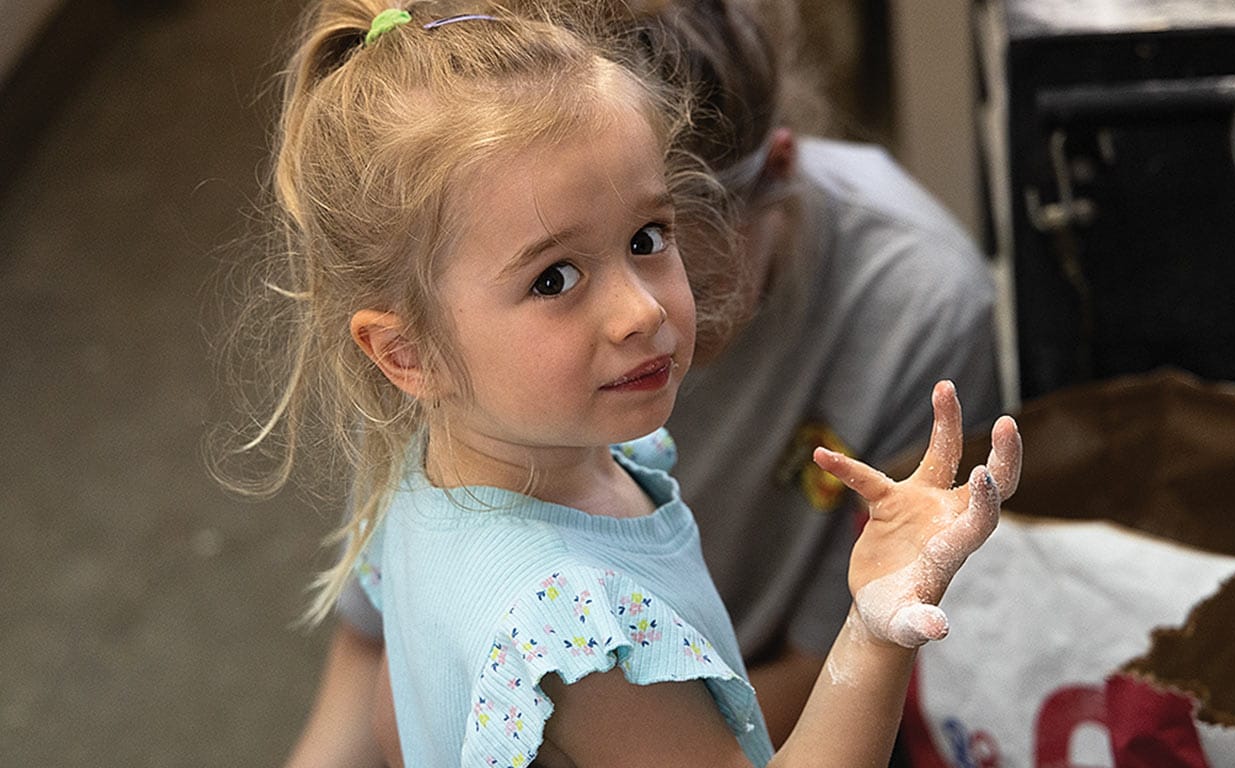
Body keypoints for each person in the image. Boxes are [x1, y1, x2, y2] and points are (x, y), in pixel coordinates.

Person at [280, 1, 1006, 765]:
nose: (642, 308)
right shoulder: (577, 635)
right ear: (405, 354)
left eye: (647, 238)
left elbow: (398, 727)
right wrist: (877, 623)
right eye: (554, 277)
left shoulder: (437, 476)